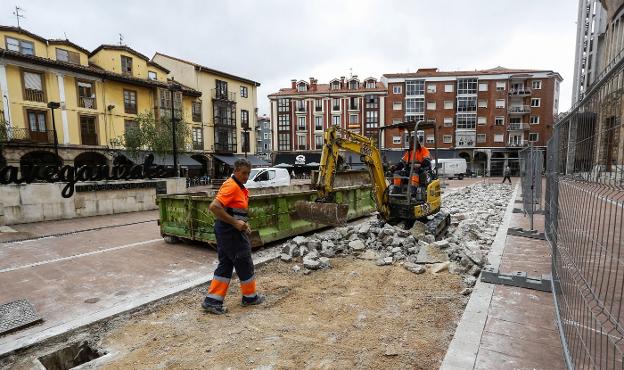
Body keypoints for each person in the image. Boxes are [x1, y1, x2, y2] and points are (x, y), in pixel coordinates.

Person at [202, 158, 264, 314]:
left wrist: (242, 222)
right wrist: (236, 223)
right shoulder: (231, 186)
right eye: (243, 173)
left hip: (227, 231)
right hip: (230, 232)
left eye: (248, 173)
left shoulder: (238, 186)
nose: (246, 177)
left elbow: (232, 210)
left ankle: (212, 301)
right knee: (244, 260)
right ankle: (250, 298)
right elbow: (214, 207)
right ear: (236, 171)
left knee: (226, 264)